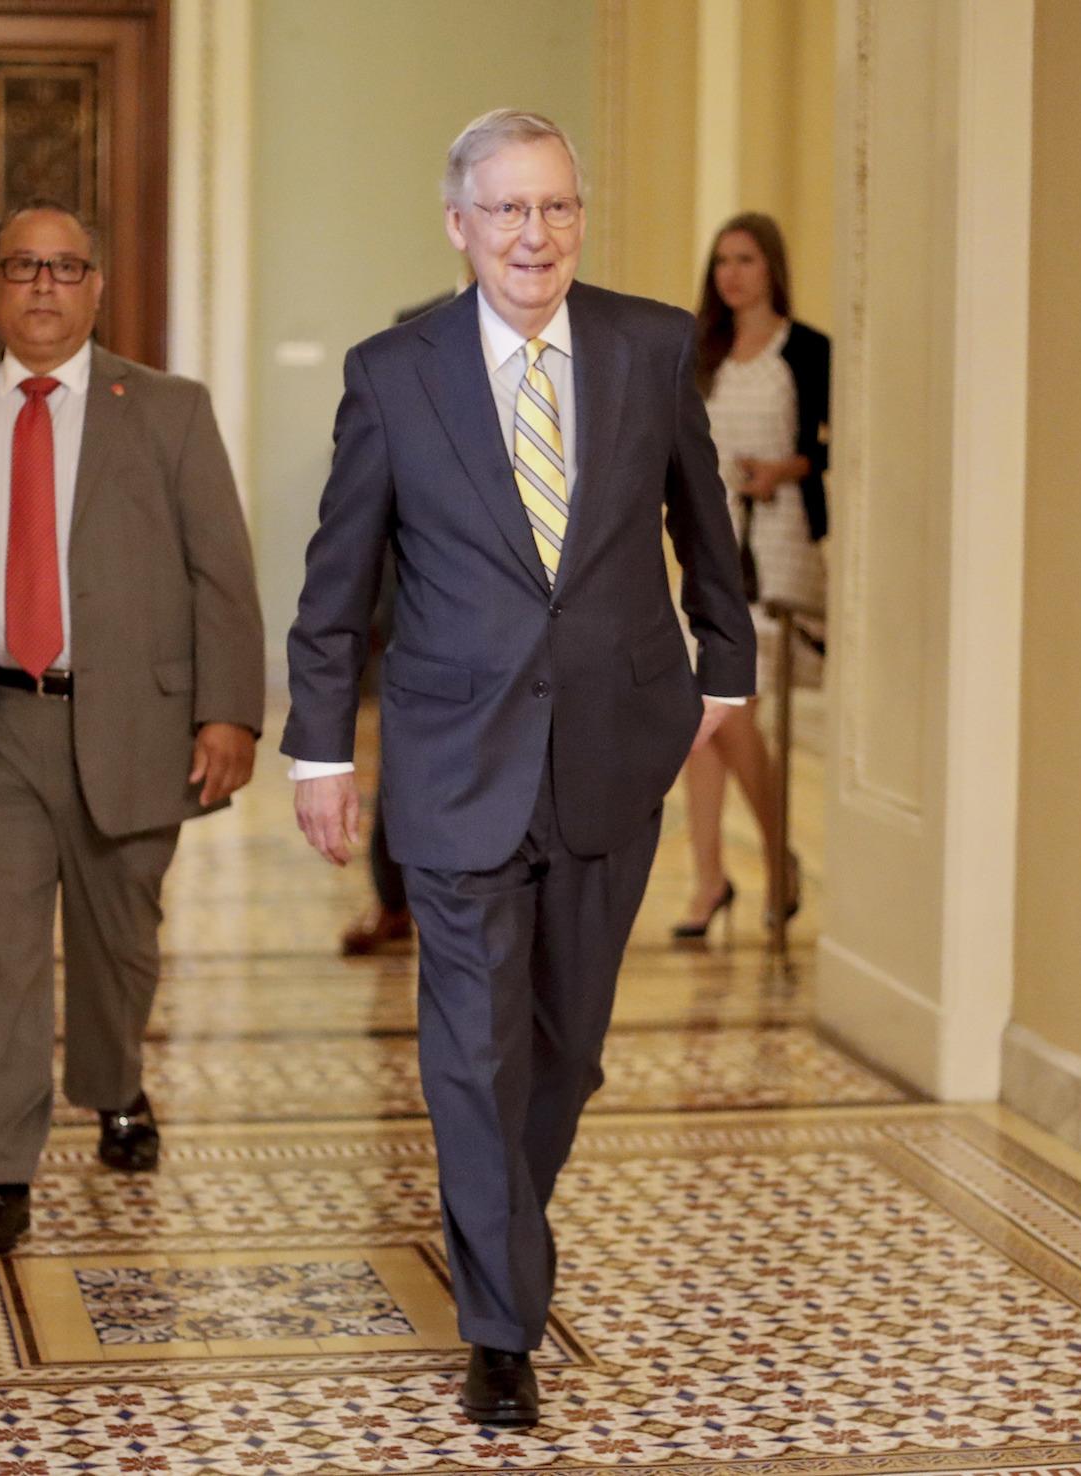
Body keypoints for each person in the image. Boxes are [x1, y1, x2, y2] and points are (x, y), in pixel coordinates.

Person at [284, 111, 754, 1427]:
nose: (533, 236)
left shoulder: (650, 344)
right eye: (507, 211)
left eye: (554, 209)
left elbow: (701, 519)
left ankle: (499, 1226)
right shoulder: (394, 373)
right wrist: (321, 748)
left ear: (578, 220)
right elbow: (340, 583)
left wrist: (727, 668)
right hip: (453, 757)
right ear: (459, 225)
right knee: (473, 1050)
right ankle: (503, 1321)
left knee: (570, 1050)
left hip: (615, 747)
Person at [0, 200, 264, 1258]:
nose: (41, 286)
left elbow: (223, 575)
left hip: (130, 727)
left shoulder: (166, 410)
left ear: (96, 289)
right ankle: (0, 1172)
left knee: (119, 947)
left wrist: (229, 713)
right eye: (22, 266)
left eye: (65, 268)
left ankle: (115, 1086)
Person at [672, 213, 831, 939]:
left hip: (780, 540)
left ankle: (778, 858)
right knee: (699, 725)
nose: (731, 273)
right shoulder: (700, 352)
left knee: (733, 711)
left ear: (772, 267)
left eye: (745, 259)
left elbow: (838, 445)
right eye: (722, 261)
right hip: (712, 548)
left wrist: (785, 470)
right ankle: (709, 881)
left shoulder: (809, 350)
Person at [340, 287, 459, 959]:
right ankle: (393, 902)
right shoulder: (405, 355)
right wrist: (376, 612)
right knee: (403, 766)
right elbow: (373, 515)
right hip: (415, 613)